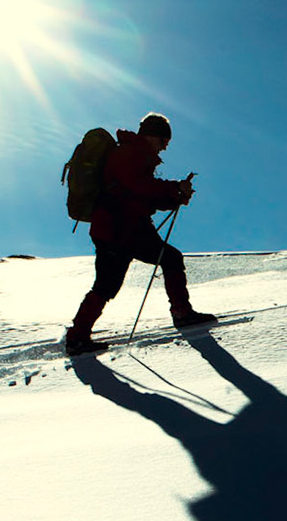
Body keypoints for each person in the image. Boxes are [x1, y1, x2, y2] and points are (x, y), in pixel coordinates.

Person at [66, 112, 215, 353]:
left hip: (127, 229)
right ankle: (77, 337)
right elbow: (139, 186)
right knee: (108, 285)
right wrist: (174, 188)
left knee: (166, 260)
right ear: (151, 135)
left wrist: (175, 197)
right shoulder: (128, 153)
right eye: (163, 141)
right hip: (117, 230)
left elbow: (143, 196)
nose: (164, 147)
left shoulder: (138, 156)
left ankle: (78, 336)